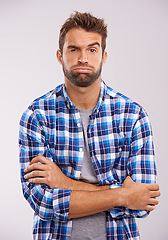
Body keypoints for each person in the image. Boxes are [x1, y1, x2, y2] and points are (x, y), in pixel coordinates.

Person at [19, 12, 160, 240]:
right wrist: (123, 195)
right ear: (59, 56)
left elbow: (143, 202)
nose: (83, 58)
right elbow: (42, 202)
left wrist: (63, 183)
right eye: (73, 49)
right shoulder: (37, 115)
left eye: (92, 50)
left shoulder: (133, 115)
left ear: (103, 56)